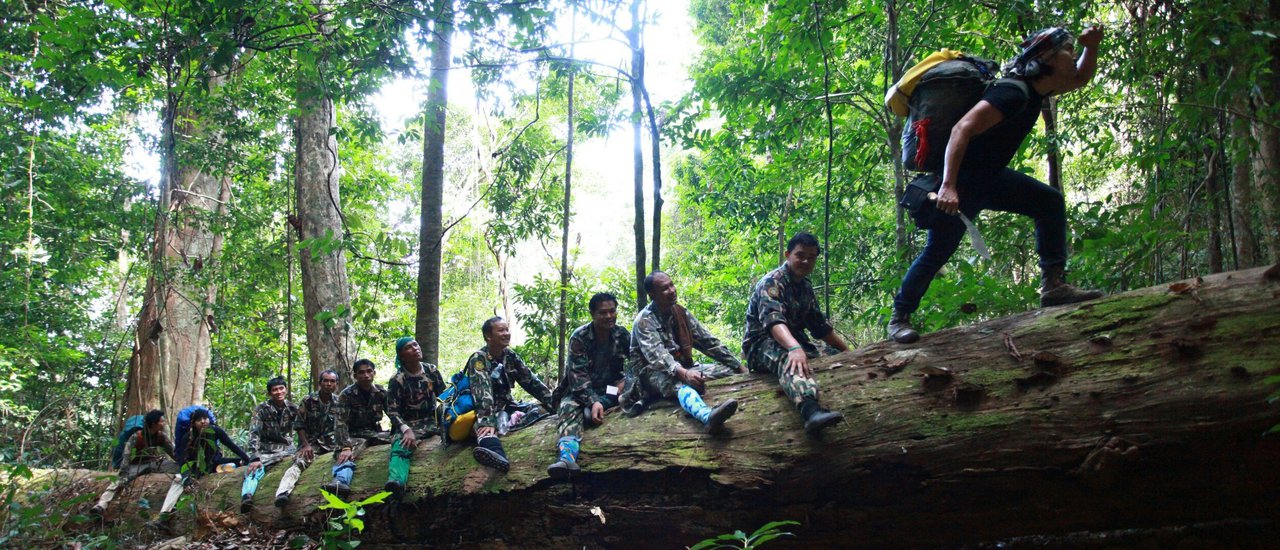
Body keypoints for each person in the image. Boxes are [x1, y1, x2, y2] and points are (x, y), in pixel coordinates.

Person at [888, 25, 1106, 344]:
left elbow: (1080, 79)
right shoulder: (1013, 91)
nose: (1073, 57)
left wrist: (1093, 47)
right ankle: (898, 319)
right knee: (937, 251)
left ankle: (1054, 286)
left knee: (1048, 202)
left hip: (990, 178)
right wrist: (948, 185)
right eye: (1068, 51)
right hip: (963, 181)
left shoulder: (1036, 90)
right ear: (1045, 57)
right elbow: (961, 129)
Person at [744, 233, 848, 435]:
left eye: (811, 257)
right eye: (800, 255)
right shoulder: (772, 282)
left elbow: (820, 328)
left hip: (795, 341)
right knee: (791, 359)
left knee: (833, 354)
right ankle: (810, 411)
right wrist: (793, 348)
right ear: (788, 254)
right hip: (761, 345)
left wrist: (847, 351)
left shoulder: (806, 288)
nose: (806, 261)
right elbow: (774, 321)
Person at [620, 271, 745, 432]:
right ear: (652, 295)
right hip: (650, 374)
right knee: (679, 383)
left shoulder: (680, 312)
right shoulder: (644, 321)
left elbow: (708, 342)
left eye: (672, 285)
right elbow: (658, 356)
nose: (672, 290)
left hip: (682, 367)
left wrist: (739, 366)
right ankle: (706, 416)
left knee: (728, 370)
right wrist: (685, 374)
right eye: (665, 288)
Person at [547, 292, 630, 479]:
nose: (609, 316)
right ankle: (567, 457)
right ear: (593, 314)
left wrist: (626, 381)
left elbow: (639, 361)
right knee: (568, 407)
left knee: (631, 389)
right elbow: (578, 378)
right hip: (581, 391)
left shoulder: (622, 334)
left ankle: (602, 404)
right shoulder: (580, 337)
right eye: (603, 313)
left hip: (609, 389)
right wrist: (593, 402)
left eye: (612, 311)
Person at [463, 316, 555, 473]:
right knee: (485, 431)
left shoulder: (509, 355)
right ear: (488, 336)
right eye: (501, 330)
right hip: (486, 411)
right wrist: (486, 421)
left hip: (508, 407)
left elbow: (531, 381)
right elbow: (482, 393)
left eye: (507, 329)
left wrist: (555, 402)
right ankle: (496, 455)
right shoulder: (479, 359)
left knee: (541, 411)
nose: (506, 333)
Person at [153, 407, 257, 532]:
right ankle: (164, 518)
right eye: (199, 420)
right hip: (195, 469)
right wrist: (186, 479)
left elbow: (232, 446)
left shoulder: (215, 431)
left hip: (214, 464)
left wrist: (249, 459)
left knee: (239, 463)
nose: (203, 422)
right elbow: (182, 461)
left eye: (205, 418)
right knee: (178, 481)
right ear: (193, 423)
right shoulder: (188, 437)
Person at [384, 337, 446, 498]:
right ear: (402, 355)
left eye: (416, 345)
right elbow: (392, 411)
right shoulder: (397, 380)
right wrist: (406, 430)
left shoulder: (431, 370)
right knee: (401, 447)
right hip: (409, 424)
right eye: (409, 347)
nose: (415, 348)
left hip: (433, 420)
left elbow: (445, 397)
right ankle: (397, 482)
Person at [90, 409, 178, 517]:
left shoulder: (161, 436)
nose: (164, 423)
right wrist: (124, 471)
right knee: (119, 481)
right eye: (161, 421)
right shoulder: (137, 436)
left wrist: (184, 465)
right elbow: (126, 455)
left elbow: (173, 452)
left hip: (154, 462)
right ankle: (101, 505)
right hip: (137, 465)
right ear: (154, 423)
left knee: (178, 468)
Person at [325, 358, 392, 497]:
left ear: (374, 373)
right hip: (353, 434)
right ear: (355, 376)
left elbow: (393, 413)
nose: (366, 375)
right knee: (346, 455)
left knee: (398, 441)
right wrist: (345, 446)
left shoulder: (380, 392)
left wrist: (403, 430)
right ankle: (340, 481)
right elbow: (340, 423)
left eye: (369, 371)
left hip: (374, 432)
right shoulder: (346, 395)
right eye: (361, 372)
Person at [274, 369, 340, 507]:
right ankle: (283, 492)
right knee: (299, 462)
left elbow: (344, 424)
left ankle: (339, 488)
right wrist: (305, 445)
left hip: (332, 443)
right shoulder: (308, 400)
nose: (328, 384)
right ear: (320, 383)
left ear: (336, 384)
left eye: (332, 381)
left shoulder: (339, 401)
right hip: (311, 443)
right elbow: (299, 425)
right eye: (325, 381)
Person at [240, 376, 299, 512]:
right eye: (274, 390)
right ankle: (247, 496)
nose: (278, 392)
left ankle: (283, 494)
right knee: (254, 468)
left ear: (286, 390)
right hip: (265, 450)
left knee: (298, 464)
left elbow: (302, 428)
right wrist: (254, 457)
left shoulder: (292, 408)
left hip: (287, 449)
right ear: (269, 393)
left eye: (281, 388)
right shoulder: (261, 409)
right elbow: (254, 433)